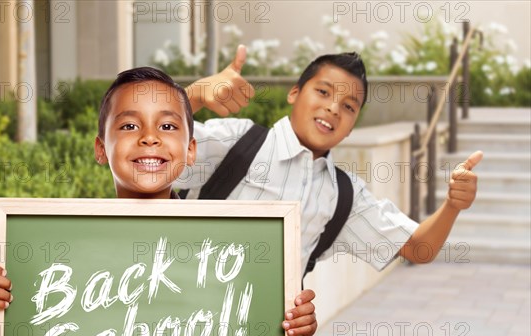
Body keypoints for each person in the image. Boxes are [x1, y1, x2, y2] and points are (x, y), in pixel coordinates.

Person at [0, 67, 317, 336]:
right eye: (130, 125)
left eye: (167, 125)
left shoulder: (230, 251)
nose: (150, 137)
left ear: (191, 149)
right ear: (101, 149)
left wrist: (293, 326)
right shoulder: (61, 250)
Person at [178, 47, 483, 277]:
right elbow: (143, 157)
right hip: (181, 318)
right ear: (295, 93)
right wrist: (192, 97)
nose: (333, 108)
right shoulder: (237, 142)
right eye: (323, 92)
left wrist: (452, 205)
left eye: (349, 106)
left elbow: (419, 248)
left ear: (352, 127)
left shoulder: (343, 195)